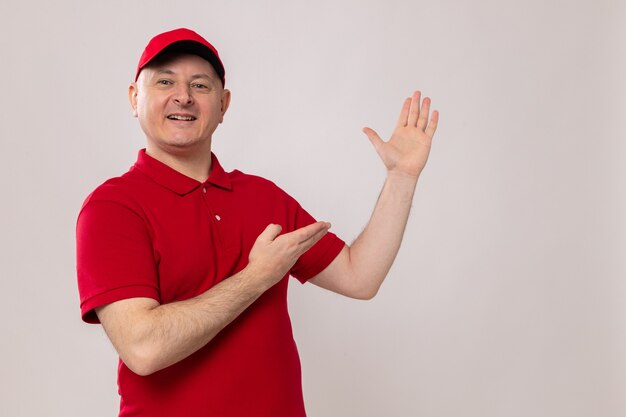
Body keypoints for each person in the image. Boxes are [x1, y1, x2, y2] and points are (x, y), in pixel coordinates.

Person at [76, 28, 439, 417]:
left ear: (223, 105)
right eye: (165, 81)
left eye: (200, 85)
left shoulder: (262, 197)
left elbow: (359, 276)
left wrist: (401, 177)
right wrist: (256, 277)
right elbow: (143, 349)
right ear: (135, 97)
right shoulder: (113, 207)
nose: (183, 96)